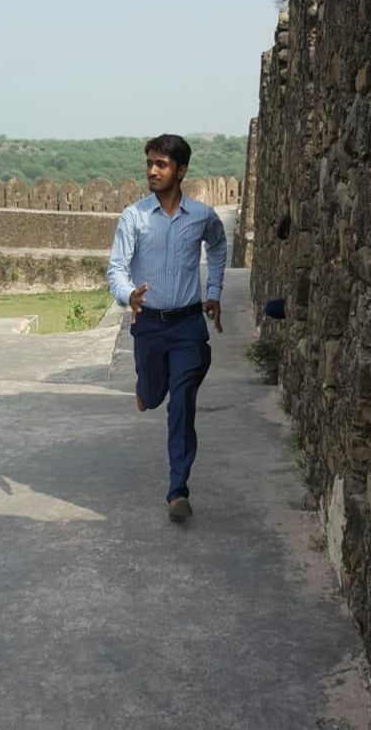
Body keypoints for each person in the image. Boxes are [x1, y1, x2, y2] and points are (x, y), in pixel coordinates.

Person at [107, 134, 227, 523]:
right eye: (149, 164)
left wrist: (214, 291)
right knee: (154, 394)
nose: (153, 171)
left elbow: (218, 246)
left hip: (188, 324)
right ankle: (145, 389)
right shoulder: (134, 217)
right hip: (150, 326)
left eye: (161, 164)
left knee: (182, 402)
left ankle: (178, 491)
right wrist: (129, 295)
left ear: (181, 171)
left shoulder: (202, 216)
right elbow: (116, 268)